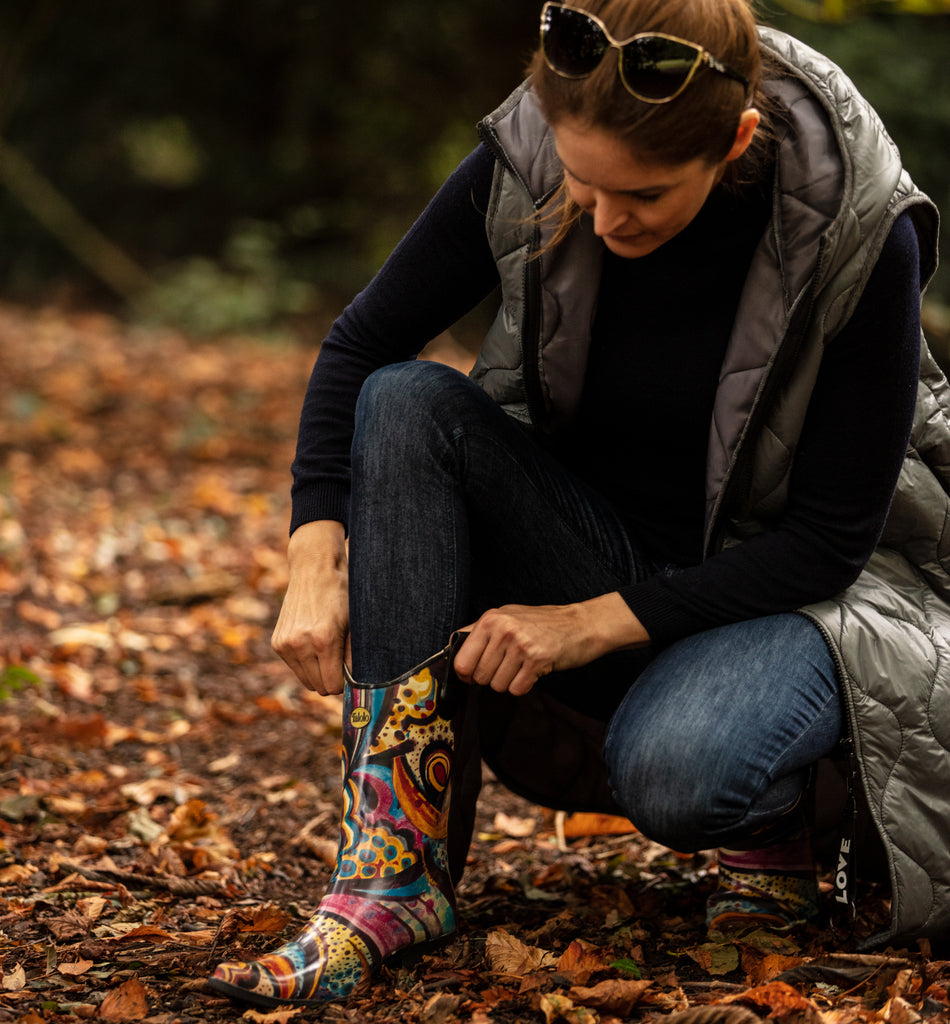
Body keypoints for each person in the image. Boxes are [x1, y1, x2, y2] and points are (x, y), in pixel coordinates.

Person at [210, 0, 948, 1009]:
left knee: (678, 774)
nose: (601, 221)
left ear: (732, 143)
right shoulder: (527, 159)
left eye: (640, 194)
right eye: (579, 184)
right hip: (602, 548)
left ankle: (771, 817)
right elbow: (359, 347)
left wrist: (585, 625)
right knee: (408, 401)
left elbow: (826, 544)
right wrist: (313, 556)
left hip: (796, 607)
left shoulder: (861, 233)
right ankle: (390, 875)